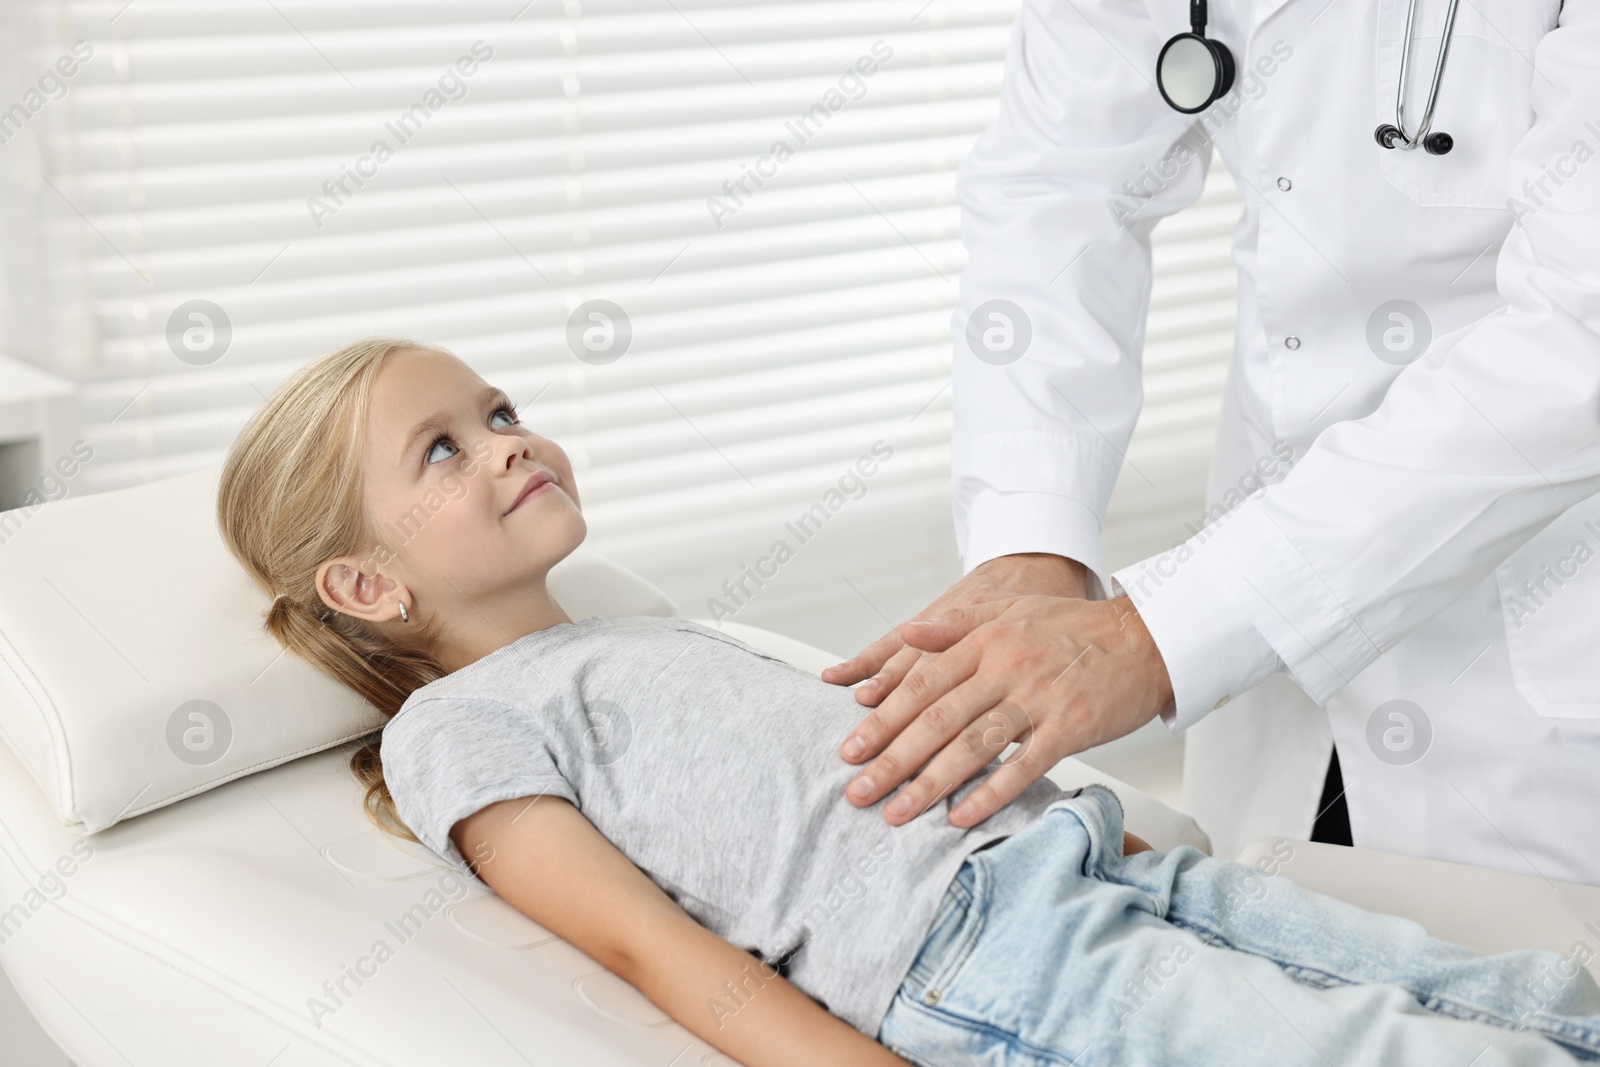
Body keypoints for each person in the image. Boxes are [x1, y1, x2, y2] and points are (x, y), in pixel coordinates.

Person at [213, 338, 1600, 1065]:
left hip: (1083, 864)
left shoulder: (638, 636)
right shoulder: (453, 727)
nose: (507, 439)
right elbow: (652, 948)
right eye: (444, 449)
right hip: (985, 957)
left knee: (1494, 992)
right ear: (368, 583)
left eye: (500, 405)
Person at [823, 0, 1600, 879]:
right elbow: (1055, 187)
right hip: (1267, 611)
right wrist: (1030, 535)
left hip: (1542, 615)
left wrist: (1159, 635)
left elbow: (1581, 335)